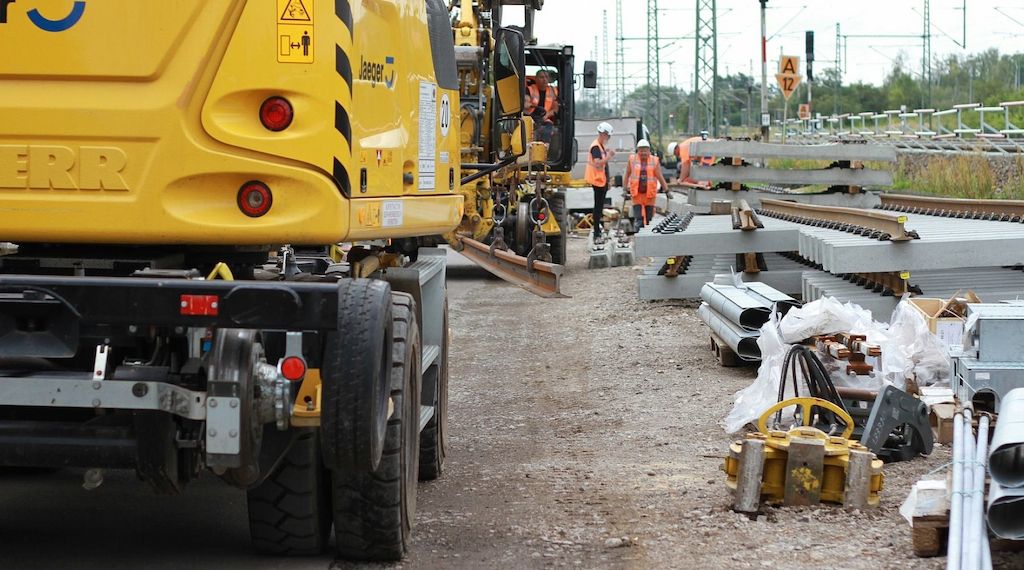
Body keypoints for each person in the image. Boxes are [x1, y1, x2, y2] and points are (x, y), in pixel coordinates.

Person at [623, 139, 671, 232]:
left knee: (649, 220)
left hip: (650, 195)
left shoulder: (654, 160)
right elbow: (627, 174)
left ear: (649, 151)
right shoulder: (632, 160)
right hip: (637, 195)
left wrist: (667, 191)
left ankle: (648, 238)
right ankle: (639, 237)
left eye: (645, 150)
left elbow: (660, 177)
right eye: (641, 150)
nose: (643, 153)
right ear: (638, 151)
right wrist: (625, 189)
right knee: (638, 219)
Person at [584, 122, 615, 244]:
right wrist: (610, 156)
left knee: (599, 207)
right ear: (604, 134)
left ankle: (598, 229)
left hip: (601, 181)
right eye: (608, 136)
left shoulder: (600, 146)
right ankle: (597, 231)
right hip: (597, 181)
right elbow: (598, 163)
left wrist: (608, 180)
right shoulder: (596, 147)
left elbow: (604, 166)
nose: (608, 139)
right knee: (598, 207)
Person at [524, 70, 559, 144]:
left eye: (546, 77)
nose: (544, 79)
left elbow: (555, 109)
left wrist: (547, 115)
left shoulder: (553, 91)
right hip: (530, 118)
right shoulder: (529, 89)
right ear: (536, 79)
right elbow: (526, 103)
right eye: (541, 77)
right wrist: (531, 105)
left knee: (547, 131)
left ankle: (544, 151)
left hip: (545, 119)